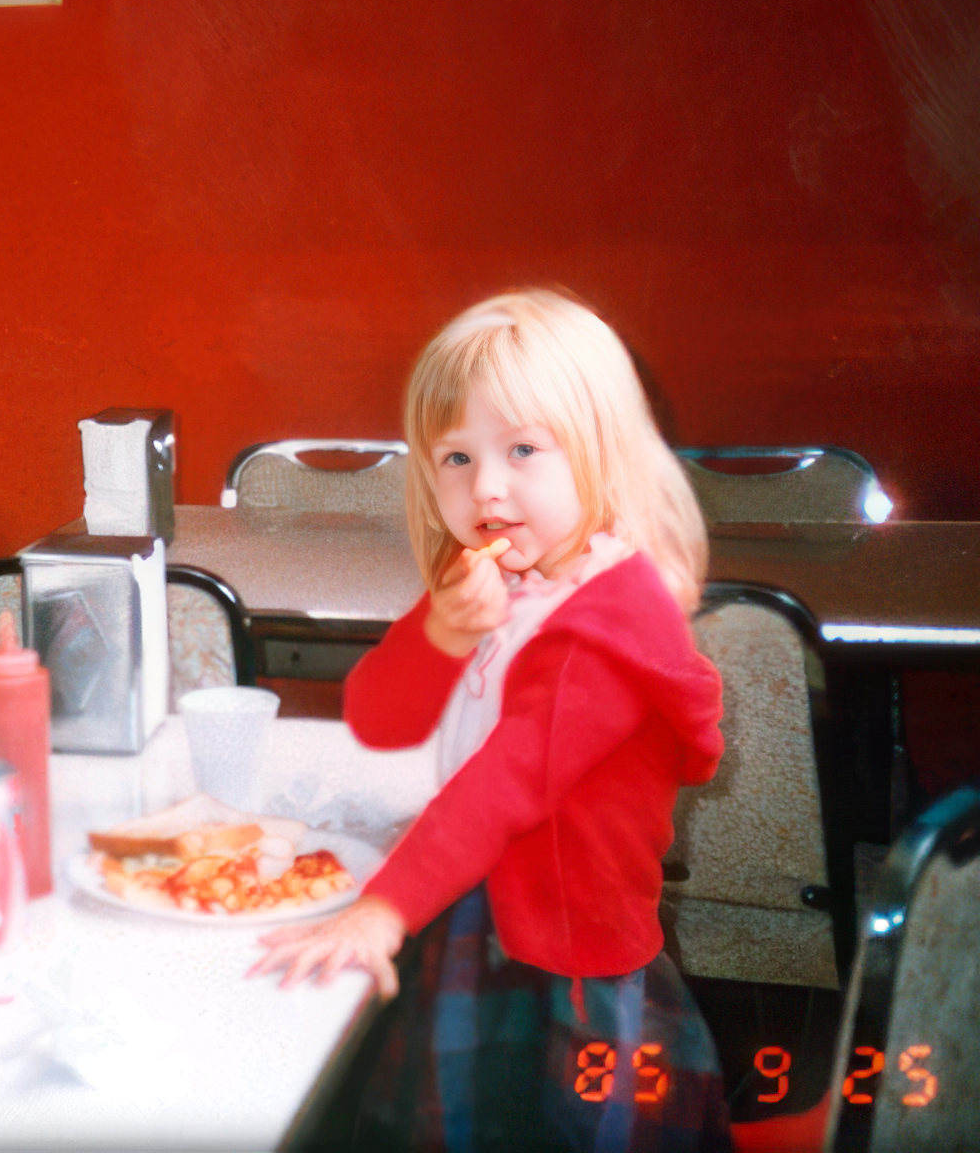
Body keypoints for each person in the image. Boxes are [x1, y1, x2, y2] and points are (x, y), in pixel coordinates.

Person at [251, 289, 732, 1149]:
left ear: (601, 456)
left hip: (569, 962)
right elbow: (380, 718)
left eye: (522, 450)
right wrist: (437, 630)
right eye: (456, 458)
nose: (488, 487)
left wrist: (382, 911)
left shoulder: (607, 624)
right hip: (481, 906)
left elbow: (504, 786)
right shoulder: (509, 580)